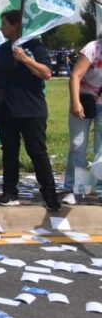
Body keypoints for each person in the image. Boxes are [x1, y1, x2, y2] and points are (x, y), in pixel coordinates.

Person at [0, 10, 59, 210]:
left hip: (31, 110)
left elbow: (46, 73)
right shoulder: (4, 49)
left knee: (37, 152)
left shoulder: (35, 46)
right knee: (9, 152)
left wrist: (25, 59)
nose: (2, 28)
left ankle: (49, 193)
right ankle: (9, 191)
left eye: (5, 24)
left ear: (16, 26)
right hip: (6, 109)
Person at [65, 36, 102, 204]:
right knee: (78, 146)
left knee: (101, 150)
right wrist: (76, 102)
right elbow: (75, 76)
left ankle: (99, 190)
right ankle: (75, 190)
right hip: (84, 102)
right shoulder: (92, 48)